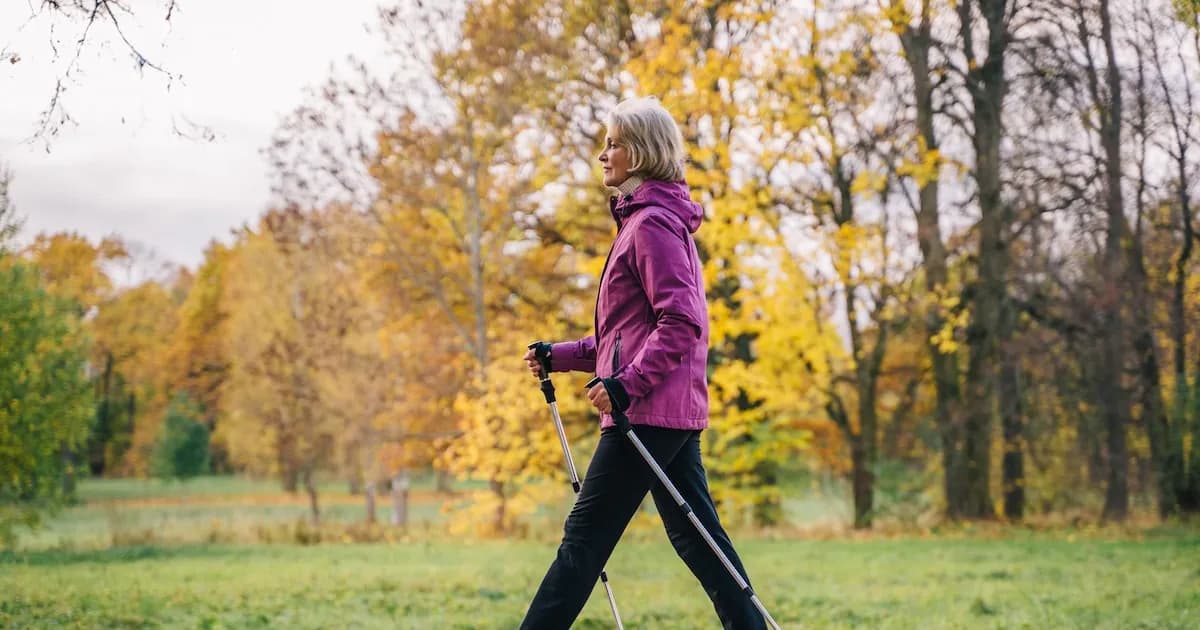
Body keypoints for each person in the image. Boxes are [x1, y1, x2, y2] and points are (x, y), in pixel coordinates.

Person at [520, 96, 766, 630]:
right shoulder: (640, 223)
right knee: (701, 543)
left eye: (613, 143)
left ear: (642, 152)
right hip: (660, 410)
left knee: (583, 543)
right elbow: (620, 338)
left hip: (646, 413)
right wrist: (556, 356)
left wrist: (627, 387)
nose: (603, 154)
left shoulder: (652, 224)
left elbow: (682, 322)